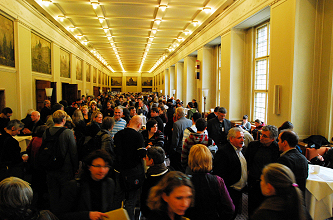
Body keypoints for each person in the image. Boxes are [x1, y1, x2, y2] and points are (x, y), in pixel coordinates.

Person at [58, 150, 115, 220]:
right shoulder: (75, 186)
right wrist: (88, 215)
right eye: (97, 166)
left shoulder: (109, 184)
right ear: (89, 167)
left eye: (106, 166)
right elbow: (61, 215)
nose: (102, 170)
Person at [185, 144, 235, 220]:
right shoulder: (218, 180)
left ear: (191, 160)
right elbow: (230, 208)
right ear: (209, 159)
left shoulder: (185, 182)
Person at [43, 110, 78, 213]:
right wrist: (75, 167)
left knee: (53, 194)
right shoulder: (67, 132)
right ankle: (63, 214)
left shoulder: (46, 131)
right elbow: (73, 152)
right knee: (65, 193)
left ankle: (54, 214)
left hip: (50, 167)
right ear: (64, 120)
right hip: (65, 168)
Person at [113, 115, 146, 220]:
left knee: (117, 198)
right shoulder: (138, 136)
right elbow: (141, 154)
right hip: (132, 172)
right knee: (131, 200)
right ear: (139, 125)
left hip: (118, 170)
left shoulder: (118, 134)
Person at [213, 127, 247, 219]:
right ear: (231, 139)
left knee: (234, 212)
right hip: (230, 190)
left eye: (243, 137)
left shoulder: (241, 150)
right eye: (239, 138)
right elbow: (219, 174)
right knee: (229, 214)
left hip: (239, 190)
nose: (242, 140)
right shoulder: (223, 152)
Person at [246, 125, 280, 216]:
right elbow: (248, 160)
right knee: (252, 206)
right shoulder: (253, 145)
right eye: (261, 134)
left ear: (272, 139)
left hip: (268, 183)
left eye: (265, 136)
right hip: (254, 180)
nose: (261, 137)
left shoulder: (277, 149)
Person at [141, 147, 170, 218]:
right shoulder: (170, 173)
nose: (144, 159)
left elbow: (144, 203)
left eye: (146, 157)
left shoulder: (149, 180)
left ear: (151, 161)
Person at [171, 107, 192, 172]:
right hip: (188, 147)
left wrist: (173, 150)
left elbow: (175, 139)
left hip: (179, 149)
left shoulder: (176, 124)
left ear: (177, 114)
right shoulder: (190, 121)